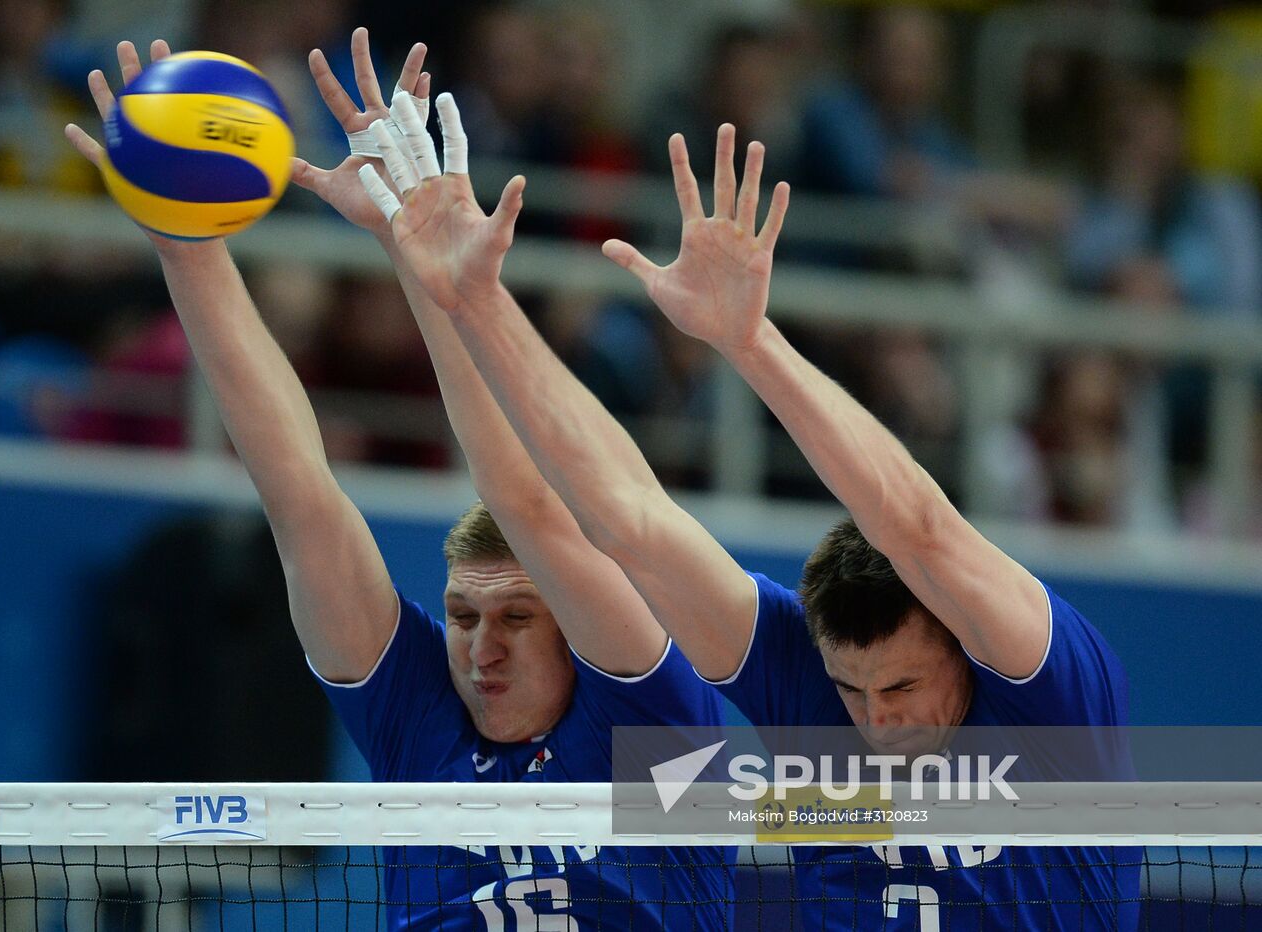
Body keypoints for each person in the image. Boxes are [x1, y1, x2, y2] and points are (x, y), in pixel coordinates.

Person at [361, 86, 1139, 927]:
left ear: (962, 637)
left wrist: (749, 343)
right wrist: (472, 300)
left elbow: (919, 526)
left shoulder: (1045, 689)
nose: (878, 724)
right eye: (850, 688)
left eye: (904, 684)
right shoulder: (802, 683)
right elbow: (626, 520)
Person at [63, 33, 733, 930]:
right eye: (463, 618)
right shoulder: (423, 724)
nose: (479, 650)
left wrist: (423, 260)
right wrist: (189, 250)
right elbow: (299, 494)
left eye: (517, 619)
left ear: (578, 631)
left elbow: (527, 504)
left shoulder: (658, 729)